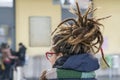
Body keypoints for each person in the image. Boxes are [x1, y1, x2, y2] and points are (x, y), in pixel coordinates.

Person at [40, 1, 110, 80]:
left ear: (60, 56)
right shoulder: (91, 77)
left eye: (50, 54)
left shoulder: (50, 77)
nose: (49, 59)